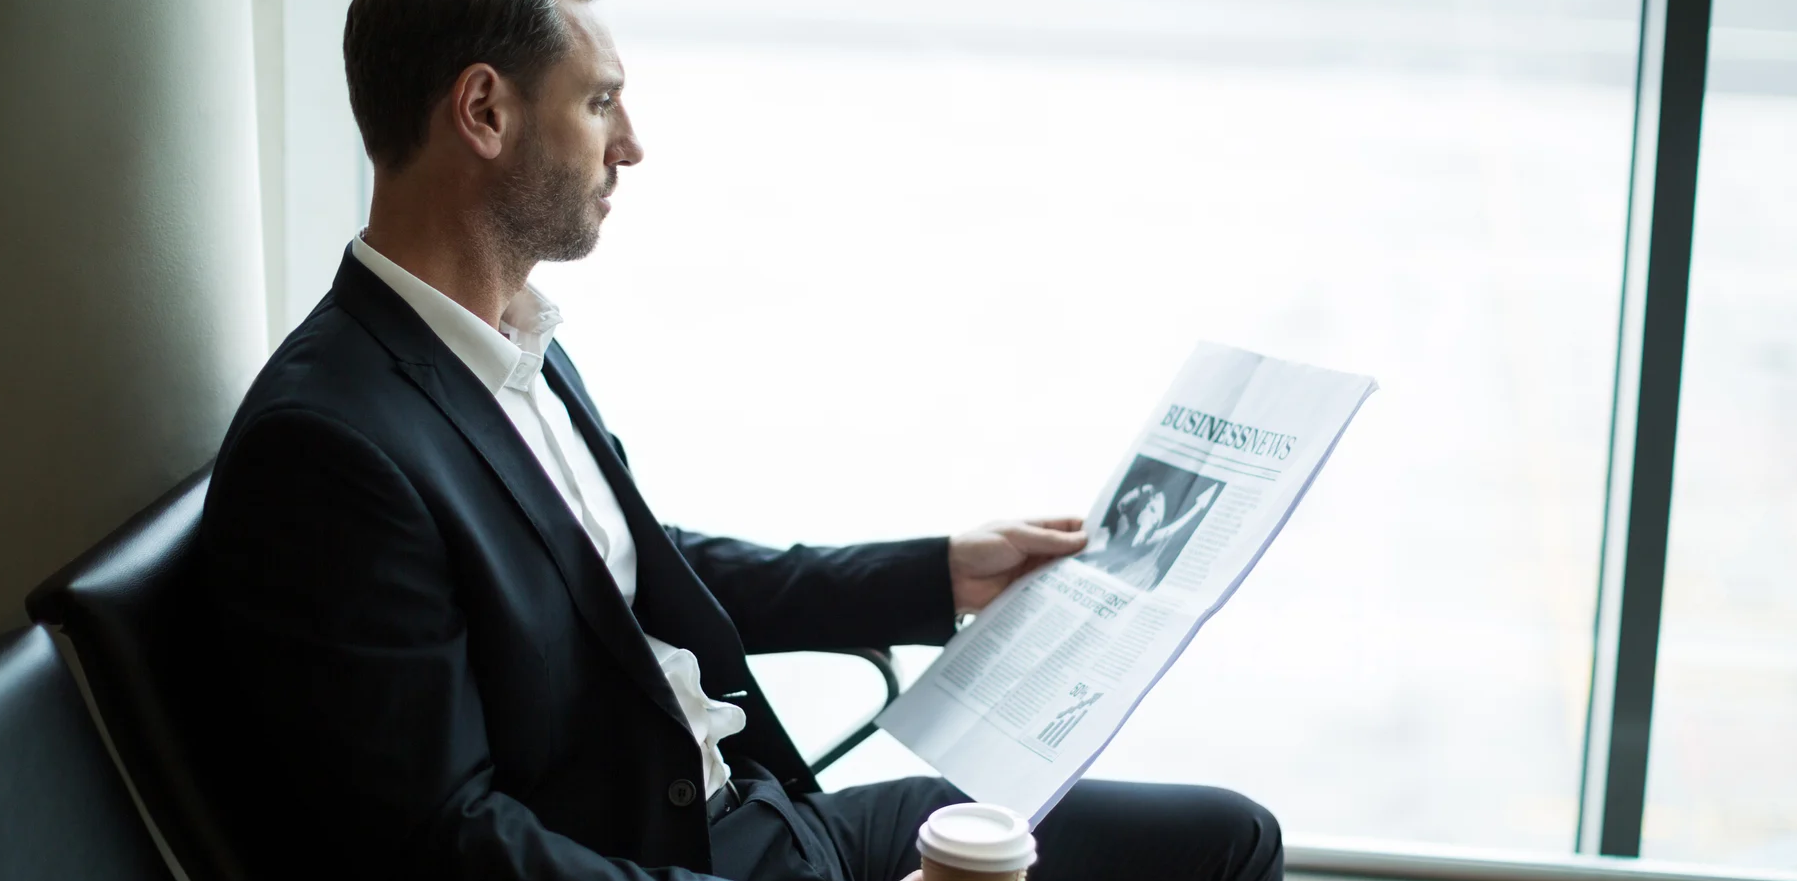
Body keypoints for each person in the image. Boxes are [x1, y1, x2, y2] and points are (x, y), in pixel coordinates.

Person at [191, 2, 1283, 880]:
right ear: (484, 110)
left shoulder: (509, 346)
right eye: (600, 102)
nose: (631, 144)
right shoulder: (331, 447)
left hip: (768, 823)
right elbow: (445, 848)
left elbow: (623, 572)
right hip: (675, 858)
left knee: (1224, 838)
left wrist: (935, 572)